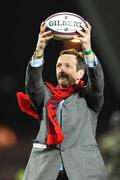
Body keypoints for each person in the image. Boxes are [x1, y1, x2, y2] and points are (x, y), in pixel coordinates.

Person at [17, 20, 108, 180]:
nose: (62, 70)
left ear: (80, 73)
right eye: (59, 66)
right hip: (45, 171)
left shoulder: (89, 97)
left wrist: (88, 51)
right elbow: (32, 84)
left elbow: (97, 82)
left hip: (83, 171)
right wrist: (39, 50)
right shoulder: (46, 95)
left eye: (67, 66)